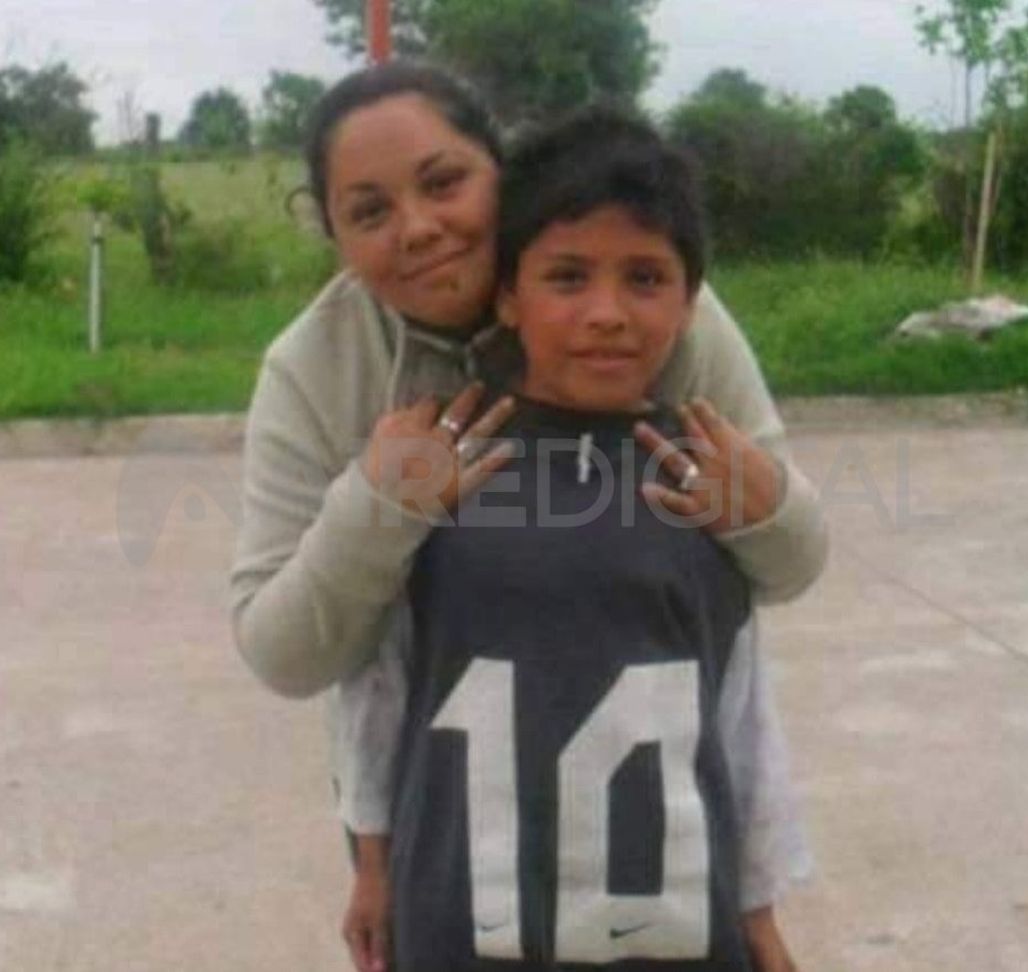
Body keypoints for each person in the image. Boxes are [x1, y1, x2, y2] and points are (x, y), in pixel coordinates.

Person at [229, 62, 825, 972]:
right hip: (467, 852)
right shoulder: (317, 368)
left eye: (443, 182)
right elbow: (323, 660)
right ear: (336, 234)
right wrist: (379, 506)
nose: (419, 228)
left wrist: (767, 508)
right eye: (370, 211)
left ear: (497, 173)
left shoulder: (667, 314)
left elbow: (766, 593)